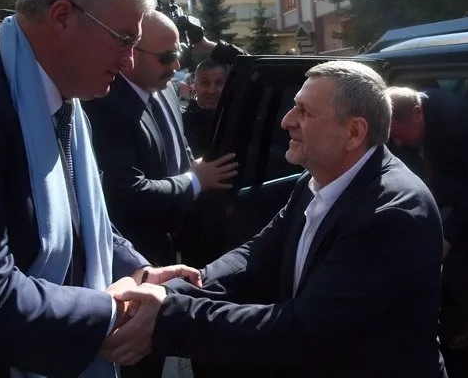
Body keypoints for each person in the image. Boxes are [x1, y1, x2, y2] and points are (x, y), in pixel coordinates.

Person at [0, 0, 200, 378]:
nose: (128, 62)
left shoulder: (68, 99)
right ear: (62, 17)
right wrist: (111, 312)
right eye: (124, 40)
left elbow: (82, 219)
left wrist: (138, 271)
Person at [102, 60, 446, 378]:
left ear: (354, 132)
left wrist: (168, 314)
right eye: (294, 106)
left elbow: (303, 331)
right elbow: (255, 256)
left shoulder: (390, 213)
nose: (287, 120)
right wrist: (170, 289)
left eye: (305, 111)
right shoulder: (315, 182)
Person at [84, 11, 238, 268]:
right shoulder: (103, 104)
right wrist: (194, 181)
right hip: (140, 257)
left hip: (187, 242)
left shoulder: (166, 89)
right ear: (131, 54)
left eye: (179, 54)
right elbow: (127, 193)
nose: (176, 66)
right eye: (167, 57)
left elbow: (179, 145)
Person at [386, 86, 468, 377]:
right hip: (430, 189)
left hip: (462, 195)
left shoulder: (461, 116)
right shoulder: (405, 129)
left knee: (450, 248)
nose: (396, 142)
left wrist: (449, 237)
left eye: (399, 133)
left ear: (418, 114)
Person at [182, 58, 228, 157]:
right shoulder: (182, 122)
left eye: (219, 83)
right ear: (195, 86)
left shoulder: (235, 117)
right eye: (205, 83)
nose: (212, 90)